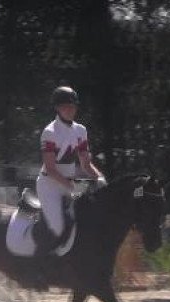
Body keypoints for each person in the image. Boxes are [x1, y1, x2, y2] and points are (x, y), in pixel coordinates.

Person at [36, 85, 106, 256]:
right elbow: (51, 169)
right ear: (57, 108)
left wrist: (100, 178)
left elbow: (85, 164)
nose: (70, 110)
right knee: (59, 227)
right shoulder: (49, 132)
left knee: (88, 218)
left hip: (70, 183)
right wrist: (71, 186)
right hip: (50, 185)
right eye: (66, 106)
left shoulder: (80, 131)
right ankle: (40, 264)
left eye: (73, 106)